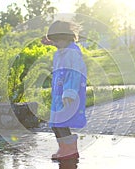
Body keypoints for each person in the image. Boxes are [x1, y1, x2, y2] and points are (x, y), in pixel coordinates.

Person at [42, 20, 87, 161]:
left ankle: (70, 150)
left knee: (61, 123)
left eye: (56, 40)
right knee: (55, 124)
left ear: (65, 37)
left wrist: (69, 93)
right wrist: (51, 41)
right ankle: (63, 148)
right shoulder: (62, 50)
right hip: (59, 94)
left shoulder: (72, 53)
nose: (54, 44)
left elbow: (75, 74)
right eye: (53, 41)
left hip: (68, 94)